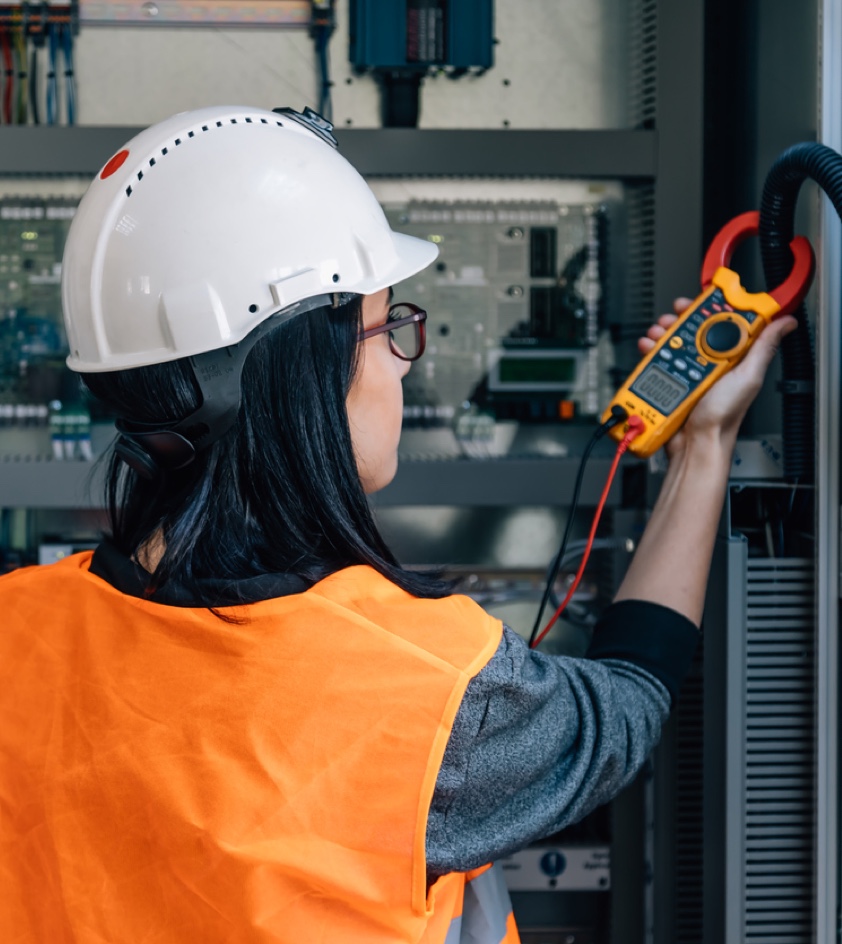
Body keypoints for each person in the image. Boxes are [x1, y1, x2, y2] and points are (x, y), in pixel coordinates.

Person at [0, 105, 796, 943]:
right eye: (389, 328)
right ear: (305, 370)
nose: (400, 367)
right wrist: (704, 447)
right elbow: (625, 708)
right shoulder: (433, 693)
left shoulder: (17, 628)